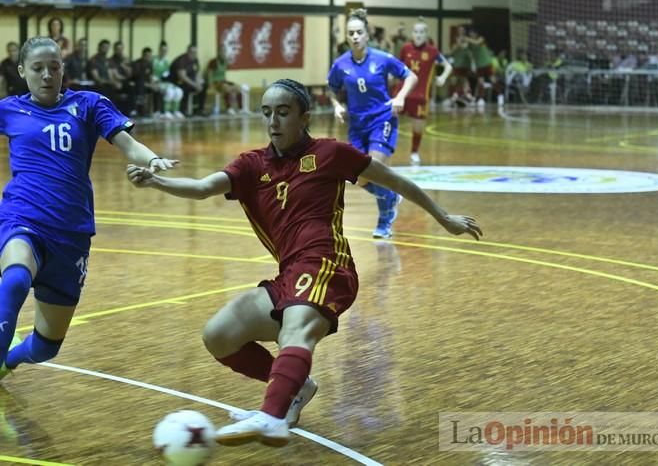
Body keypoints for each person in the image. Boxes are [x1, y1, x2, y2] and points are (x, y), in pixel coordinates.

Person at [125, 78, 482, 447]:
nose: (273, 121)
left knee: (293, 333)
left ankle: (272, 416)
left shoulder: (331, 154)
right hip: (289, 275)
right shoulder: (251, 165)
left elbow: (393, 180)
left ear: (304, 116)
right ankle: (297, 388)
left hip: (327, 264)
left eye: (283, 112)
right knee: (219, 336)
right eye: (267, 113)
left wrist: (443, 218)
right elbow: (201, 188)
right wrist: (155, 182)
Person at [0, 36, 177, 380]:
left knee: (45, 346)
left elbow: (128, 144)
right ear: (23, 71)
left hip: (71, 233)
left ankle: (10, 361)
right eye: (38, 69)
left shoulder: (89, 104)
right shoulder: (9, 109)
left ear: (63, 68)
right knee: (16, 278)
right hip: (24, 216)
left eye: (54, 67)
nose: (48, 75)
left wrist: (152, 159)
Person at [326, 9, 418, 239]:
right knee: (357, 176)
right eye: (351, 33)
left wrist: (401, 97)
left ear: (367, 35)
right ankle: (390, 197)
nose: (355, 36)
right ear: (346, 37)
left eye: (359, 32)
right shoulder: (340, 65)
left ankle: (385, 220)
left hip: (382, 119)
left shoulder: (382, 58)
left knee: (373, 168)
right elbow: (332, 88)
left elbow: (411, 77)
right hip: (357, 125)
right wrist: (337, 105)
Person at [396, 18, 453, 166]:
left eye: (421, 32)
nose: (418, 35)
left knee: (418, 128)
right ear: (412, 33)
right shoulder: (405, 48)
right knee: (388, 119)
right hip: (403, 94)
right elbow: (398, 68)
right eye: (416, 31)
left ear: (426, 34)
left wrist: (443, 77)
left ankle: (414, 152)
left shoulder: (433, 51)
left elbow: (448, 66)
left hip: (421, 97)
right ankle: (383, 149)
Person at [206, 44, 250, 115]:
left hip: (223, 81)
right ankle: (229, 108)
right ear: (218, 52)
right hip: (216, 82)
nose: (223, 53)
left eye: (224, 51)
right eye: (221, 51)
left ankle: (241, 108)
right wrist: (210, 85)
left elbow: (227, 68)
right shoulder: (213, 62)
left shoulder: (225, 61)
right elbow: (209, 75)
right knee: (227, 88)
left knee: (238, 88)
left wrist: (226, 60)